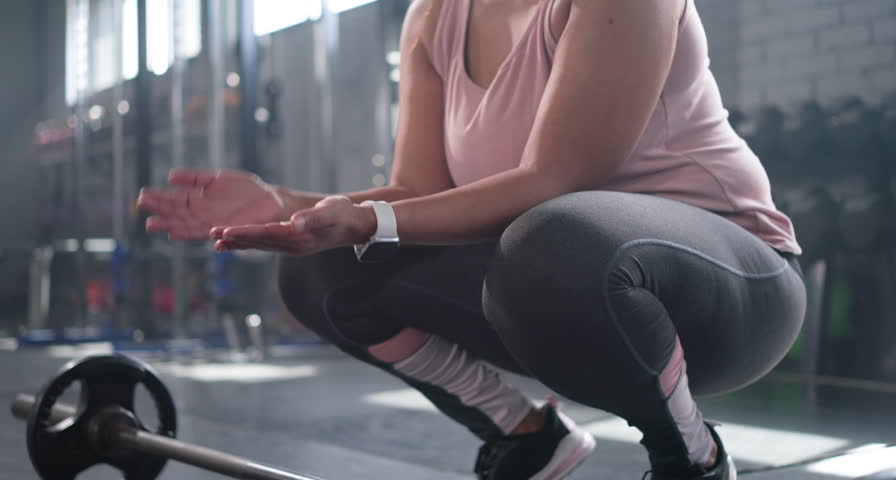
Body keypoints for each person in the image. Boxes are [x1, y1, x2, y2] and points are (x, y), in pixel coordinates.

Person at [137, 0, 806, 478]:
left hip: (728, 296)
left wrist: (368, 219)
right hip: (560, 292)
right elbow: (416, 190)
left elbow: (556, 179)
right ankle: (525, 434)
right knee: (326, 270)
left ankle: (690, 456)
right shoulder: (434, 16)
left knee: (550, 238)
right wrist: (291, 205)